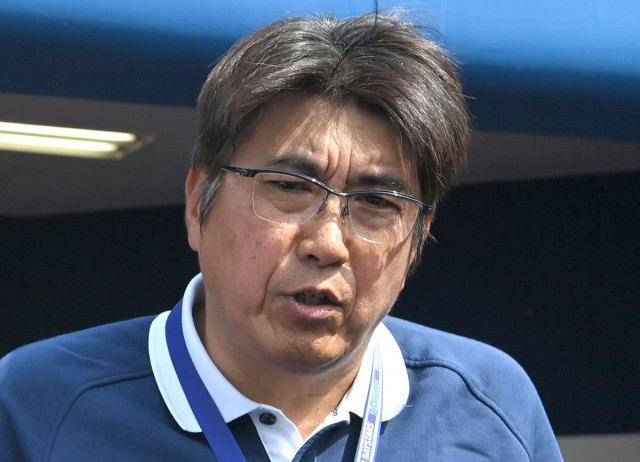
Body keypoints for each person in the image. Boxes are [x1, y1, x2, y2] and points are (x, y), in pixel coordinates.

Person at [0, 12, 563, 462]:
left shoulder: (490, 405)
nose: (328, 243)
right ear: (198, 203)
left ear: (417, 240)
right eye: (289, 187)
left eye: (377, 203)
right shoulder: (36, 404)